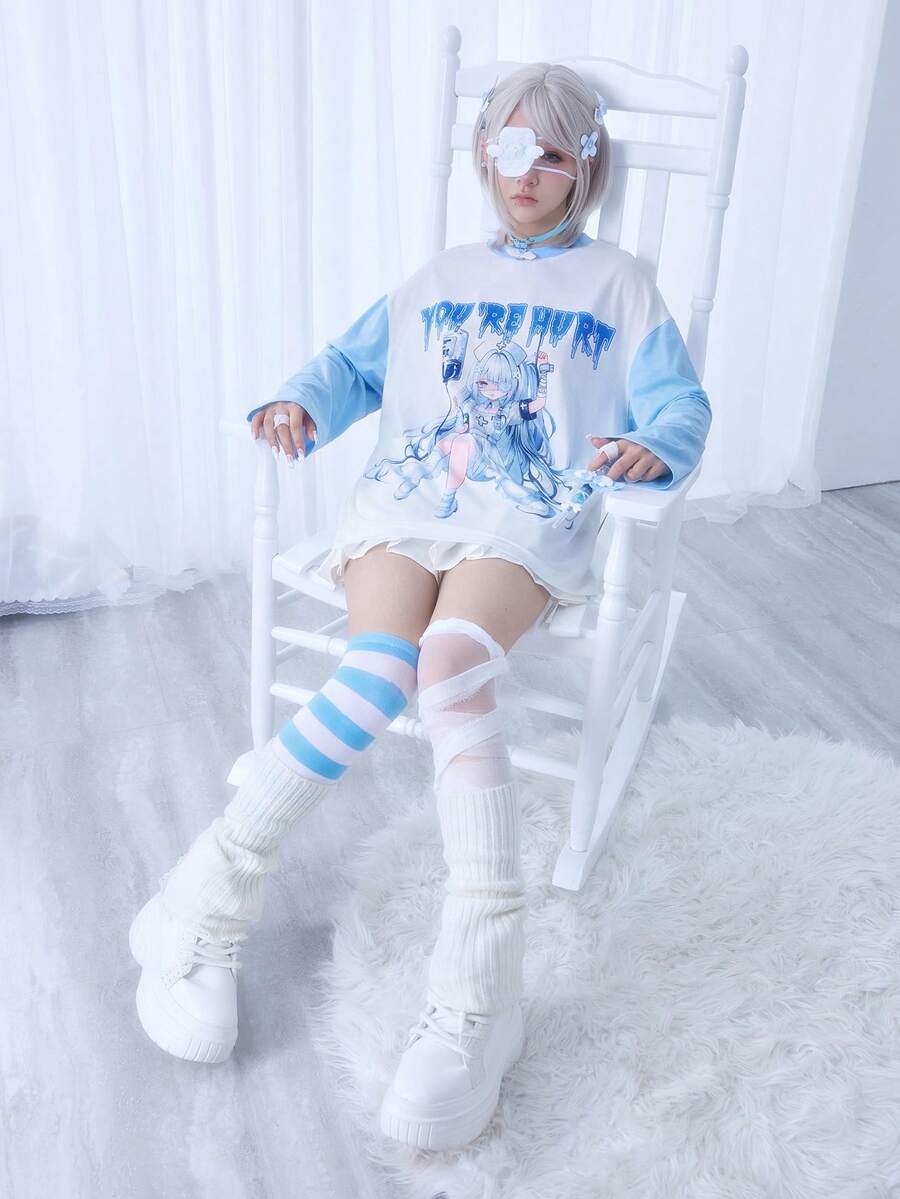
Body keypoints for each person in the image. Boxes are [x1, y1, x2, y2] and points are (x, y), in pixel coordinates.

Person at [128, 62, 711, 1151]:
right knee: (375, 669)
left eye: (551, 153)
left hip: (523, 519)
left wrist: (653, 444)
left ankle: (480, 995)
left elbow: (679, 403)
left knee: (449, 668)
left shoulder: (622, 286)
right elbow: (350, 367)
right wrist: (299, 399)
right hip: (404, 502)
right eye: (507, 148)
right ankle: (200, 904)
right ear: (482, 152)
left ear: (586, 166)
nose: (524, 173)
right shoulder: (438, 275)